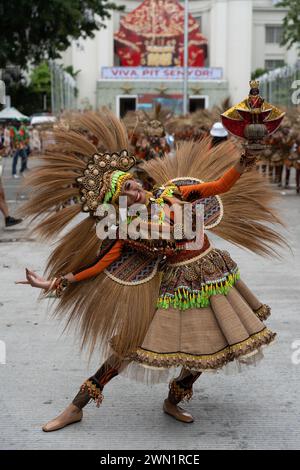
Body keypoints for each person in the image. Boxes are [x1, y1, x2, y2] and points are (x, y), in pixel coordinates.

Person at [17, 111, 286, 432]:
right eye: (124, 195)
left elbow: (220, 186)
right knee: (128, 348)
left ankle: (173, 400)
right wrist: (57, 281)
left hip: (213, 275)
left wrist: (245, 160)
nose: (132, 192)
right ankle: (77, 406)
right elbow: (100, 264)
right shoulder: (127, 229)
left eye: (130, 185)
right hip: (175, 286)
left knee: (211, 346)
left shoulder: (174, 193)